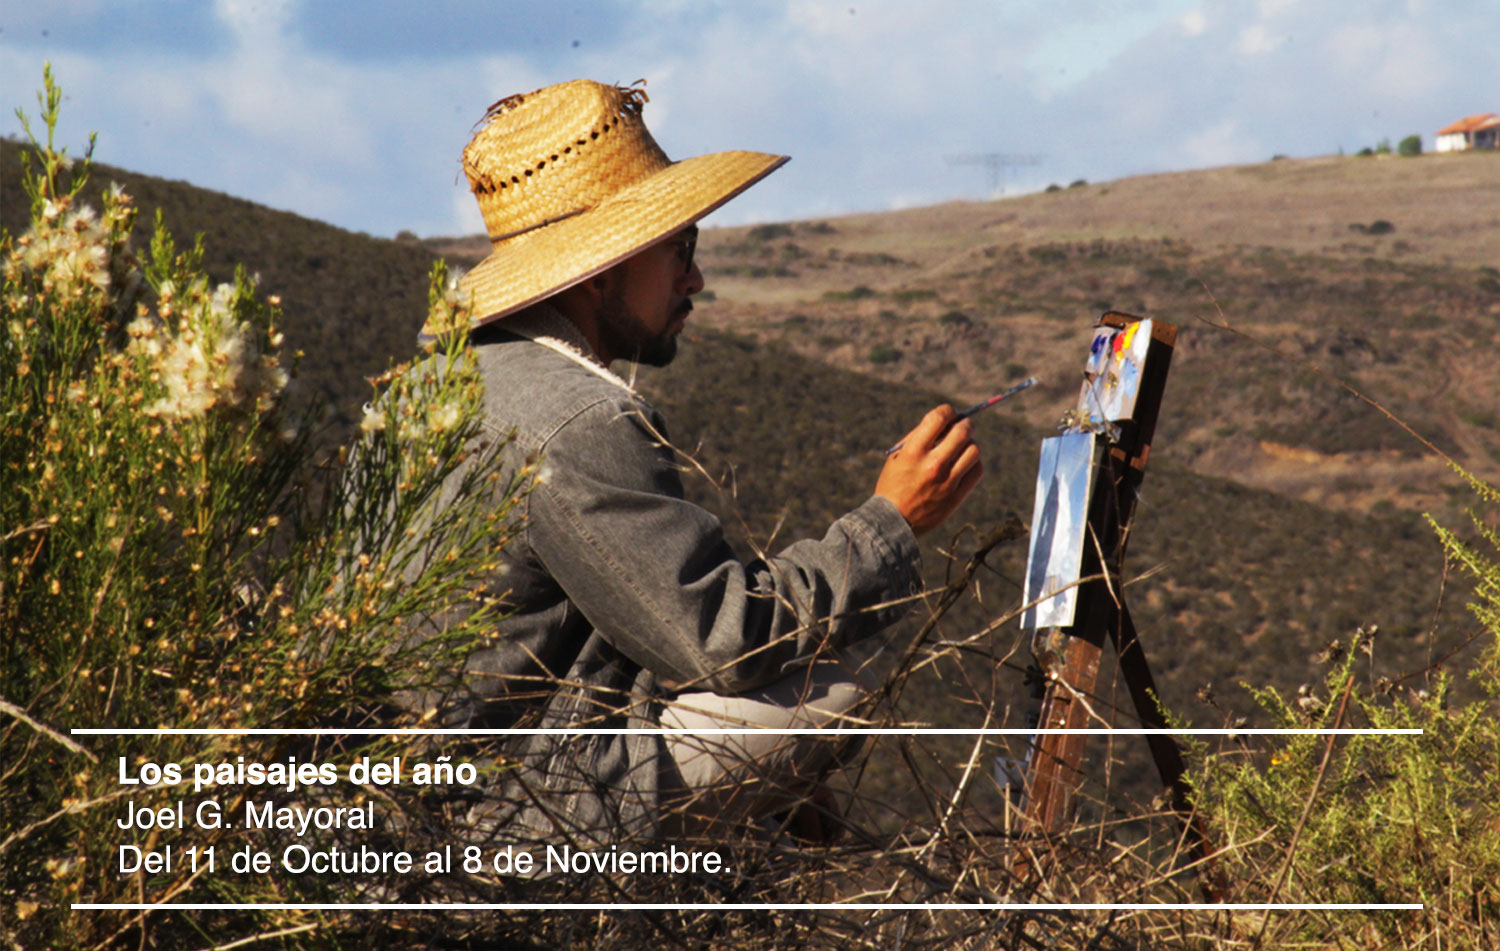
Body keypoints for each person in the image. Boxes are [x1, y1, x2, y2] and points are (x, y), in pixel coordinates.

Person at [417, 79, 983, 849]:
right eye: (678, 247)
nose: (695, 278)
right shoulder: (579, 419)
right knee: (829, 686)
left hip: (419, 785)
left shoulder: (449, 381)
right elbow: (722, 640)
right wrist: (888, 524)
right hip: (490, 814)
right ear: (599, 266)